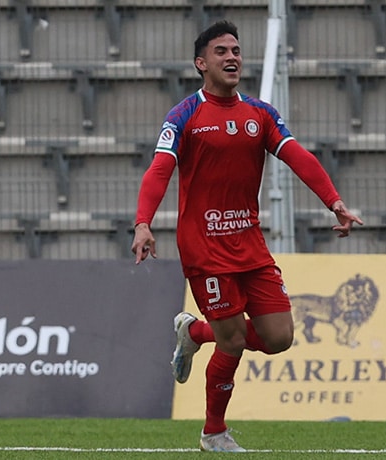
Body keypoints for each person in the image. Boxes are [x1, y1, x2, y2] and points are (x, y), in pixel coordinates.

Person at [130, 20, 363, 452]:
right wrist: (144, 222)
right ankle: (213, 432)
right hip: (204, 246)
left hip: (250, 243)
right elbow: (160, 169)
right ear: (201, 63)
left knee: (279, 338)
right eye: (221, 51)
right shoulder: (184, 115)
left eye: (236, 50)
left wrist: (334, 202)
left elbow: (298, 157)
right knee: (234, 339)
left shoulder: (260, 114)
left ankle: (195, 333)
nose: (232, 57)